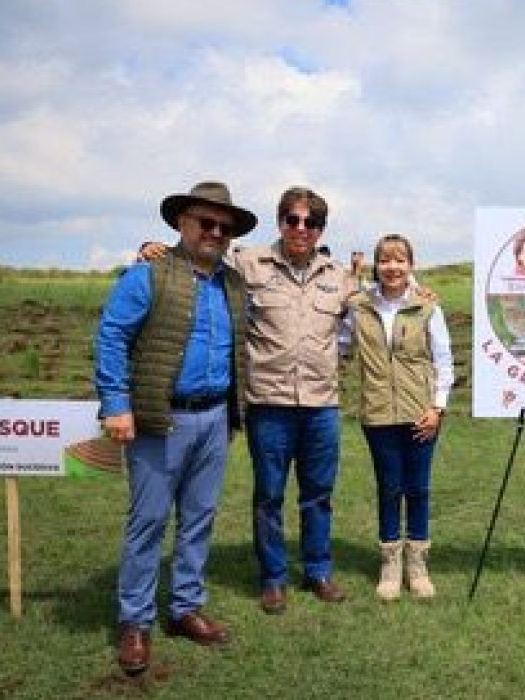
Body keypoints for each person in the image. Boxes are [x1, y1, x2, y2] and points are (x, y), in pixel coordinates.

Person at [139, 186, 357, 614]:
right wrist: (156, 251)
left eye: (310, 223)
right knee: (269, 494)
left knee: (319, 494)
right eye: (292, 220)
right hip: (268, 403)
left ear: (321, 230)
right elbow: (195, 259)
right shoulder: (246, 263)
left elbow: (381, 303)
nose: (301, 229)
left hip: (321, 405)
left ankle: (318, 570)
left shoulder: (340, 276)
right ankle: (273, 578)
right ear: (281, 222)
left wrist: (420, 293)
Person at [97, 181, 257, 675]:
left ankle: (185, 607)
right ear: (180, 224)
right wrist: (117, 405)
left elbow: (236, 351)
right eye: (205, 222)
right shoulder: (147, 275)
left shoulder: (233, 283)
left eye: (223, 227)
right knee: (148, 521)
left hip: (213, 418)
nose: (214, 232)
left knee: (199, 518)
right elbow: (112, 338)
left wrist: (231, 414)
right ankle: (136, 621)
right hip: (158, 418)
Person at [351, 234, 454, 600]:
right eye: (385, 260)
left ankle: (417, 563)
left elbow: (443, 361)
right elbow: (339, 343)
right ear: (375, 265)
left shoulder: (427, 307)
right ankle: (390, 563)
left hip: (420, 413)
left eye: (400, 260)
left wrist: (436, 407)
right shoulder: (359, 306)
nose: (392, 267)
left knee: (419, 489)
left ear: (410, 266)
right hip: (377, 414)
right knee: (389, 488)